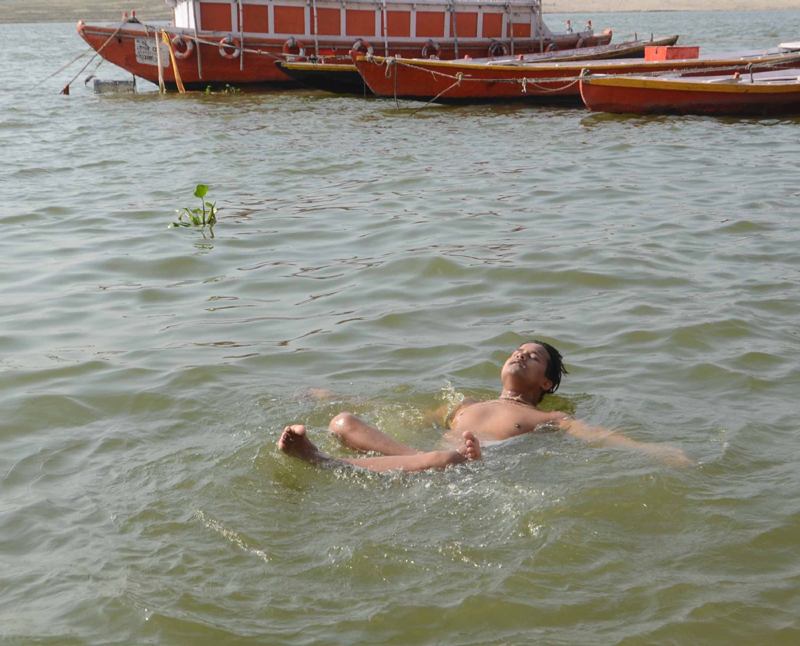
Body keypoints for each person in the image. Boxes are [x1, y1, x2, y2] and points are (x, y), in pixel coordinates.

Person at [278, 340, 693, 471]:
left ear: (546, 383)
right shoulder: (466, 403)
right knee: (342, 421)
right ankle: (342, 452)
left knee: (446, 456)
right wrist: (335, 398)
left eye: (533, 356)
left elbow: (599, 436)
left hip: (470, 470)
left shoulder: (549, 415)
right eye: (517, 350)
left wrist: (655, 451)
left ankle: (322, 462)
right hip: (428, 456)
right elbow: (397, 412)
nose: (521, 355)